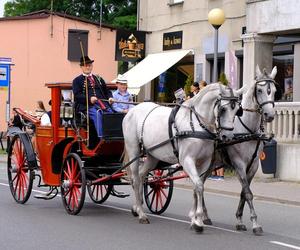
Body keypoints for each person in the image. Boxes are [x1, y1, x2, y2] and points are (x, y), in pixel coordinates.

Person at [72, 56, 114, 138]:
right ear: (81, 67)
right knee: (97, 114)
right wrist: (89, 99)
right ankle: (102, 137)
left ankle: (112, 136)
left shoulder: (98, 78)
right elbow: (77, 95)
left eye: (89, 65)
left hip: (102, 104)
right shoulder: (77, 80)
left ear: (92, 66)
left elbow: (107, 91)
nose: (88, 67)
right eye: (85, 65)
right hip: (87, 106)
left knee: (111, 113)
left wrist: (110, 97)